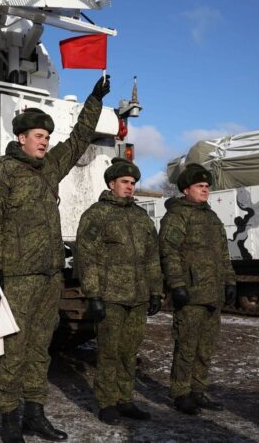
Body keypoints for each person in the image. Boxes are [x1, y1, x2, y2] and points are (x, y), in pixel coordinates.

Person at [0, 75, 110, 443]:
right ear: (22, 138)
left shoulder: (50, 168)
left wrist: (94, 100)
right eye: (39, 136)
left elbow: (79, 140)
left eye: (47, 137)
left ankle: (34, 413)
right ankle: (8, 416)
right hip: (18, 276)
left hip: (51, 274)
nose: (45, 141)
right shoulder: (3, 171)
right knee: (15, 348)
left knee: (40, 349)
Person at [75, 158, 163, 425]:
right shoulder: (96, 214)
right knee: (109, 352)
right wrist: (93, 295)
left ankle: (125, 400)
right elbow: (86, 256)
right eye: (125, 182)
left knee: (129, 352)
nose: (130, 187)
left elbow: (152, 256)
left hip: (137, 297)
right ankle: (106, 403)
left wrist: (156, 290)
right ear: (111, 184)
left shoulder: (140, 217)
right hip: (110, 296)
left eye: (133, 183)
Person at [158, 163, 237, 415]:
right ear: (186, 189)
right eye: (200, 186)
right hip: (191, 293)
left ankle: (198, 390)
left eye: (207, 187)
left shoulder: (211, 217)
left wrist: (230, 280)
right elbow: (168, 252)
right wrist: (177, 284)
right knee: (187, 346)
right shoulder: (177, 216)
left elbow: (223, 255)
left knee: (206, 347)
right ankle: (181, 393)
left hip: (213, 293)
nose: (205, 190)